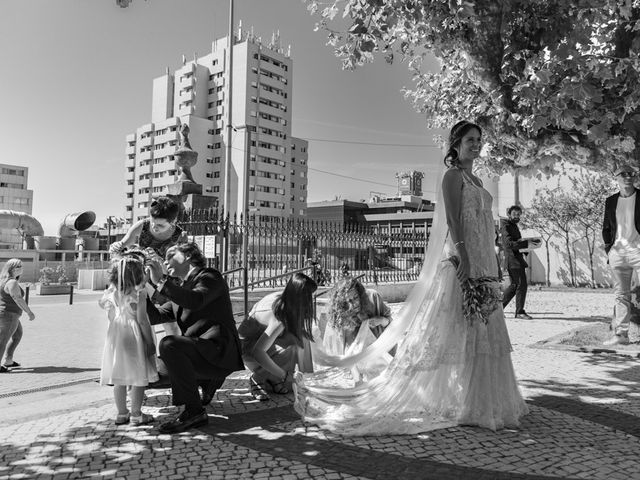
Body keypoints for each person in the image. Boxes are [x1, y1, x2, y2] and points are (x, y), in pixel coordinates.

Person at [293, 120, 529, 435]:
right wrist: (464, 257)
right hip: (464, 261)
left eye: (479, 139)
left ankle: (486, 400)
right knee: (463, 333)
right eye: (470, 139)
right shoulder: (452, 177)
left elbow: (486, 227)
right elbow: (455, 221)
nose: (476, 144)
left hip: (486, 262)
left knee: (485, 334)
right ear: (455, 144)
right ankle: (469, 403)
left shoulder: (479, 178)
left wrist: (494, 262)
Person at [146, 242, 244, 434]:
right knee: (154, 375)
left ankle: (194, 411)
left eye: (170, 256)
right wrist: (142, 289)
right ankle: (207, 381)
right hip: (199, 350)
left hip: (219, 350)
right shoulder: (181, 287)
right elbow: (157, 315)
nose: (165, 263)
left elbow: (196, 300)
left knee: (169, 344)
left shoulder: (209, 276)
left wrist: (161, 282)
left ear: (188, 256)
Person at [238, 272, 317, 401]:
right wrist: (285, 375)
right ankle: (258, 377)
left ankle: (272, 378)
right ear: (302, 297)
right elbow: (258, 352)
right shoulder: (279, 315)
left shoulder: (285, 299)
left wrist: (309, 381)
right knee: (293, 346)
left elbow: (303, 340)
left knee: (300, 337)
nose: (311, 301)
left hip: (258, 343)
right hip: (247, 351)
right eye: (310, 297)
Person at [99, 254, 158, 426]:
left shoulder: (112, 293)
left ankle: (121, 413)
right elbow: (142, 320)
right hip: (134, 334)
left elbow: (111, 316)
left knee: (119, 376)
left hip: (116, 333)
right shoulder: (140, 293)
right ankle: (136, 414)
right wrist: (149, 342)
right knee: (137, 375)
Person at [320, 276, 394, 381]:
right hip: (352, 369)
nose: (352, 305)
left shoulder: (373, 298)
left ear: (360, 294)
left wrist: (381, 320)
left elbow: (392, 326)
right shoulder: (338, 317)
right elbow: (334, 351)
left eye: (355, 298)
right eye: (347, 302)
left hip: (378, 363)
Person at [602, 164, 640, 346]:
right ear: (616, 178)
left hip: (638, 250)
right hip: (618, 252)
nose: (628, 177)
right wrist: (609, 250)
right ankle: (622, 335)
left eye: (631, 174)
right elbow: (606, 228)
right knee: (621, 295)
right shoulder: (610, 201)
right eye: (623, 174)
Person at [109, 196, 186, 260]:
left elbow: (181, 267)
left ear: (173, 222)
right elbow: (123, 245)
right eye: (152, 221)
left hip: (167, 275)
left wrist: (159, 261)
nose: (154, 226)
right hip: (143, 274)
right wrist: (116, 247)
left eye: (160, 225)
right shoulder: (142, 226)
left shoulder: (180, 236)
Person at [501, 205, 540, 319]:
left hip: (517, 259)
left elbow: (517, 243)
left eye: (519, 214)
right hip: (513, 260)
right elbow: (509, 244)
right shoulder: (505, 225)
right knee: (521, 284)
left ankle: (497, 309)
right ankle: (519, 312)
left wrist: (530, 246)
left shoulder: (514, 226)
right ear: (509, 214)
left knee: (515, 286)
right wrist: (526, 243)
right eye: (515, 214)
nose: (517, 216)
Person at [0, 259, 35, 373]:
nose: (22, 268)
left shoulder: (4, 280)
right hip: (9, 315)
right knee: (3, 340)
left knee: (17, 335)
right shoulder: (12, 282)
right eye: (21, 266)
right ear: (14, 269)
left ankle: (8, 360)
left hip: (9, 314)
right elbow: (17, 298)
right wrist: (29, 312)